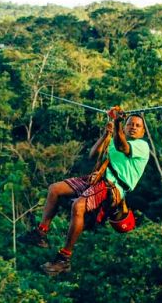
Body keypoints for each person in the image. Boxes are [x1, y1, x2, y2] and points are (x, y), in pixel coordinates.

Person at [18, 106, 150, 276]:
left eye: (137, 125)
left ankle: (64, 258)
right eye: (130, 124)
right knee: (55, 189)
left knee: (78, 207)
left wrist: (117, 122)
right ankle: (41, 232)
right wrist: (106, 135)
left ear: (143, 131)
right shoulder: (115, 139)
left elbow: (123, 146)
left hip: (112, 187)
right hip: (96, 178)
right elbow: (93, 155)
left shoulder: (141, 146)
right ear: (125, 127)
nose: (133, 127)